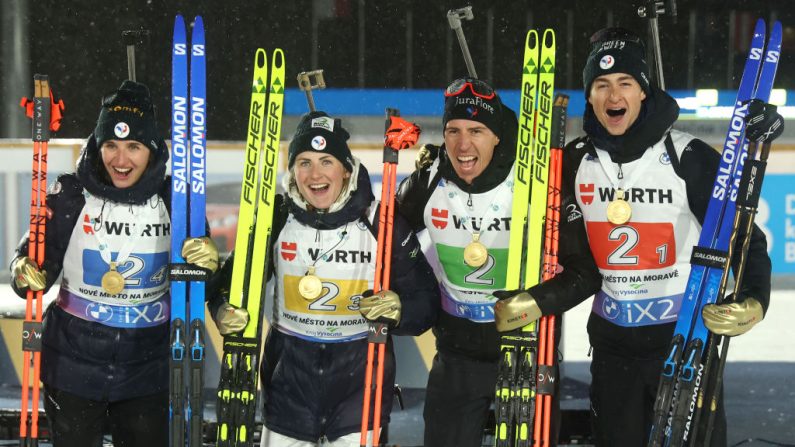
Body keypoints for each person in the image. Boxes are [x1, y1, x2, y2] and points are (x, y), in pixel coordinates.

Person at [563, 27, 781, 446]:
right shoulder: (576, 161)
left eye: (625, 83)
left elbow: (743, 237)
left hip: (684, 346)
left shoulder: (689, 156)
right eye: (602, 85)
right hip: (612, 354)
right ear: (589, 95)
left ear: (643, 91)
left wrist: (754, 298)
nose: (613, 96)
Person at [9, 80, 244, 447]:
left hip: (147, 369)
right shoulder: (71, 194)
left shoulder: (174, 199)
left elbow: (199, 287)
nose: (120, 160)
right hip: (72, 366)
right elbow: (36, 266)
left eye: (133, 147)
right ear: (97, 145)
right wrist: (23, 271)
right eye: (111, 146)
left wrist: (210, 269)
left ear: (151, 150)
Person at [211, 111, 439, 447]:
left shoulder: (380, 223)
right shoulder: (277, 217)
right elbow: (230, 286)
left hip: (359, 399)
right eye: (304, 162)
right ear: (292, 170)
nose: (315, 174)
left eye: (326, 161)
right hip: (288, 397)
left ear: (346, 169)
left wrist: (399, 309)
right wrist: (222, 308)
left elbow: (426, 301)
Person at [396, 77, 601, 447]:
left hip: (525, 349)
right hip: (456, 355)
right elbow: (388, 242)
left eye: (477, 130)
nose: (463, 144)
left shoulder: (538, 186)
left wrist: (535, 302)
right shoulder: (427, 183)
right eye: (453, 130)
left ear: (497, 136)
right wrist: (414, 296)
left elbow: (585, 273)